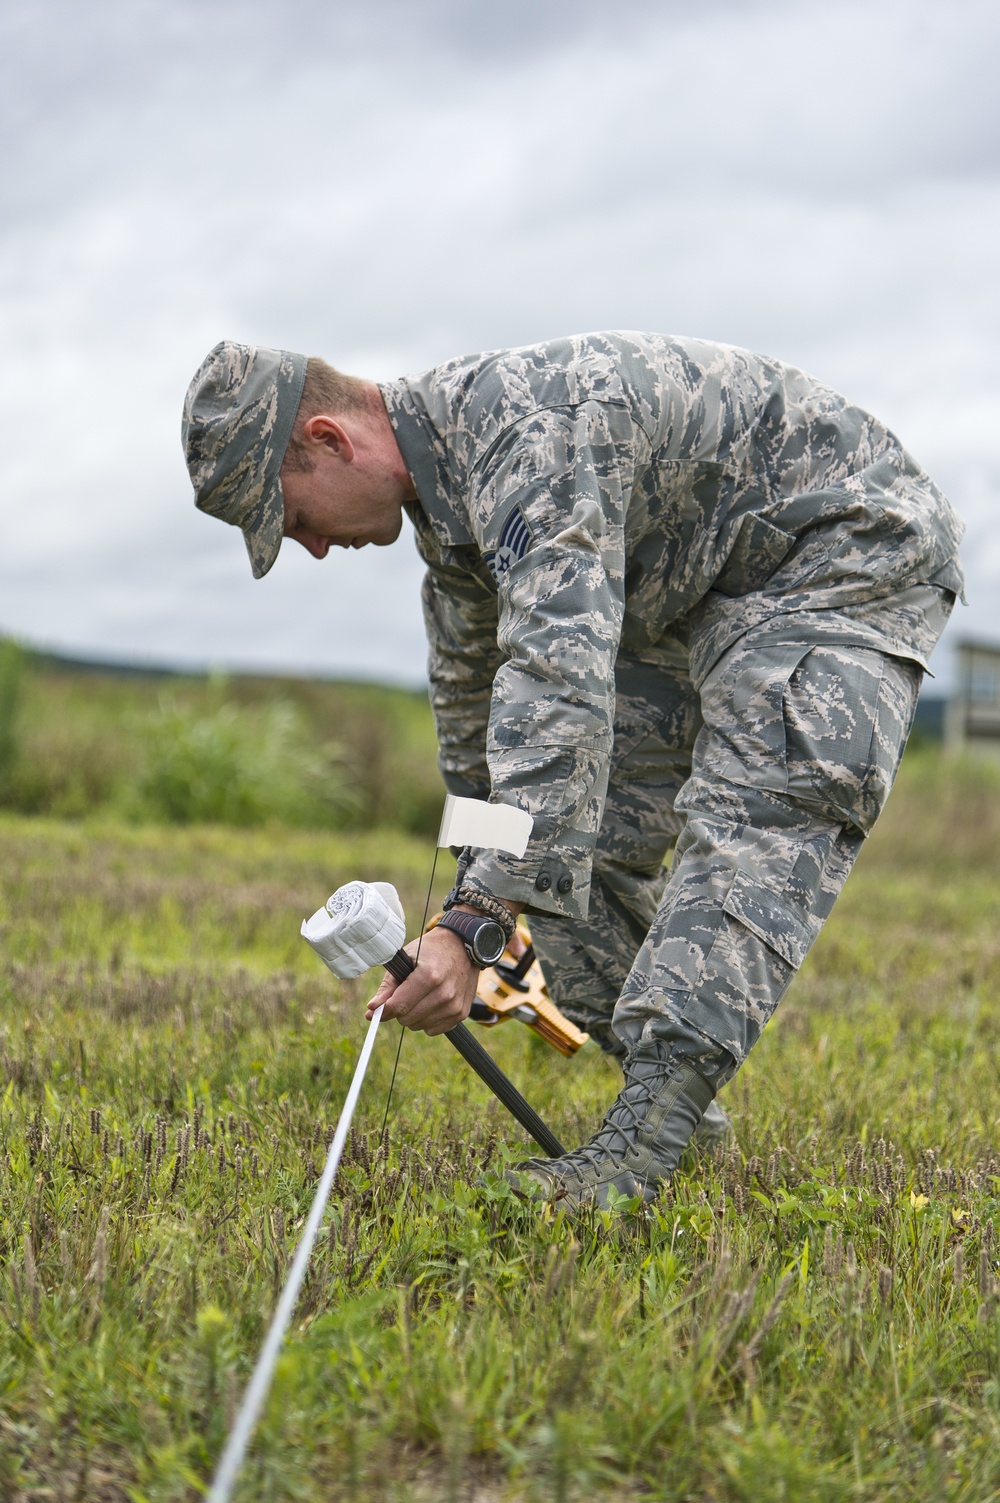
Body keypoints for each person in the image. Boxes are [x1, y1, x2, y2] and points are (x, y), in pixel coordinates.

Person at [182, 334, 964, 1207]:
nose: (315, 549)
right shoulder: (456, 540)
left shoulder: (528, 439)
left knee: (758, 805)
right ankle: (674, 1118)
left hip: (837, 555)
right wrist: (480, 910)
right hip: (696, 595)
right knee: (569, 849)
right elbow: (480, 745)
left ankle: (641, 1147)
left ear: (329, 440)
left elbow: (560, 683)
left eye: (295, 519)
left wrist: (475, 923)